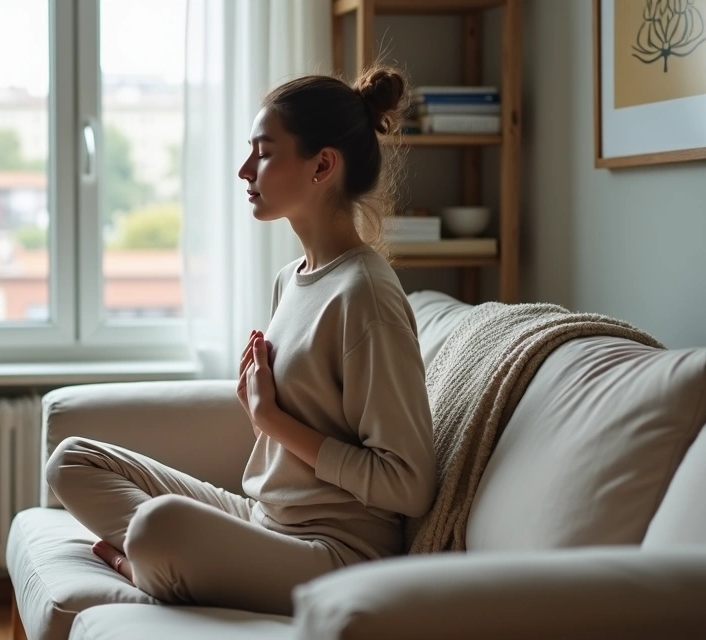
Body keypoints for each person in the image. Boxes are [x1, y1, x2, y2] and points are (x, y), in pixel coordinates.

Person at [44, 66, 437, 616]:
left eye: (265, 153)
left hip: (336, 554)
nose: (244, 170)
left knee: (159, 526)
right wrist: (262, 416)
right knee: (72, 460)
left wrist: (270, 419)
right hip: (263, 519)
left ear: (322, 165)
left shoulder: (365, 295)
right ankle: (165, 564)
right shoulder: (290, 279)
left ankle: (146, 563)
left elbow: (408, 484)